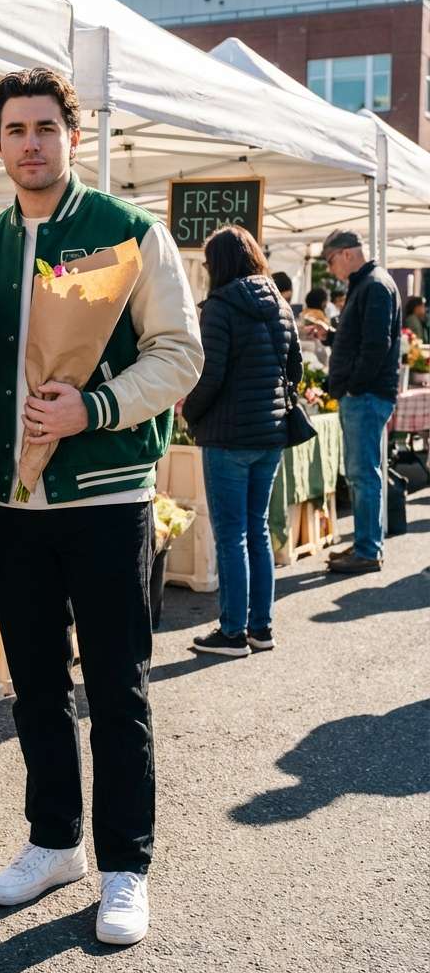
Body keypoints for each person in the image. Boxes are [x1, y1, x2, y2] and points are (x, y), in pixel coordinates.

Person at [0, 68, 202, 946]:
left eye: (45, 128)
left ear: (72, 132)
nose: (31, 143)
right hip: (14, 501)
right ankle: (53, 838)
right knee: (33, 686)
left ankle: (126, 865)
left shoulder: (130, 233)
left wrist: (91, 408)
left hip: (107, 497)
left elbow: (178, 356)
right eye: (15, 129)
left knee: (117, 685)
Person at [182, 227, 302, 658]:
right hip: (270, 435)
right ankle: (261, 628)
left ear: (220, 266)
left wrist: (189, 411)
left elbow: (209, 376)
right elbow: (296, 367)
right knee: (257, 531)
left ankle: (232, 632)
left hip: (228, 436)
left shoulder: (219, 308)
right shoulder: (280, 304)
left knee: (231, 534)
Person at [309, 230, 401, 574]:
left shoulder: (374, 285)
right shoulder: (371, 283)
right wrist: (331, 336)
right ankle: (365, 543)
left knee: (363, 474)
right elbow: (364, 338)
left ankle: (367, 549)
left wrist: (352, 386)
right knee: (363, 474)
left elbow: (376, 345)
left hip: (365, 395)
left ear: (346, 254)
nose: (330, 269)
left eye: (331, 260)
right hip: (365, 393)